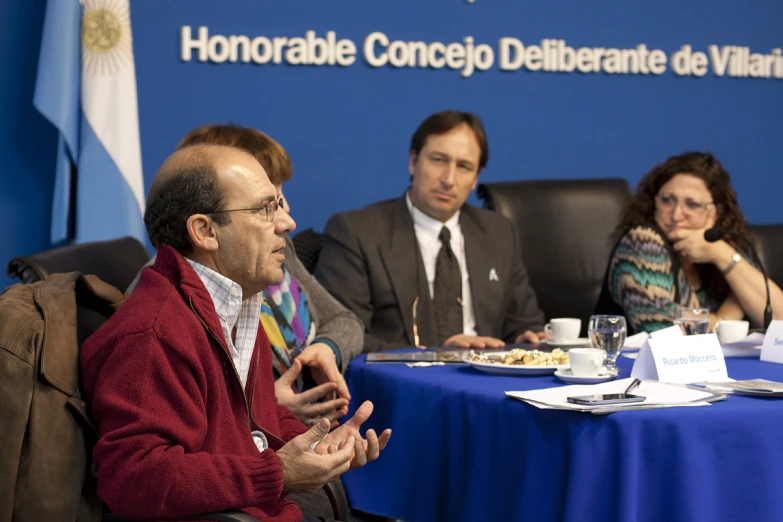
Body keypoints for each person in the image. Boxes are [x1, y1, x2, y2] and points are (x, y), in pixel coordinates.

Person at [81, 144, 391, 521]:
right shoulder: (152, 332)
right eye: (266, 208)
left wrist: (318, 443)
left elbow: (256, 418)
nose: (287, 223)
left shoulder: (237, 301)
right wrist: (277, 473)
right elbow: (134, 478)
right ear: (205, 231)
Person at [128, 124, 363, 430]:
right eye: (270, 204)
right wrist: (267, 408)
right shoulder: (153, 313)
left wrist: (327, 347)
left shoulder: (269, 261)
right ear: (206, 228)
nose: (287, 216)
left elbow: (346, 321)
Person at [315, 110, 547, 352]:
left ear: (476, 178)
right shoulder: (357, 233)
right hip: (402, 381)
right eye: (438, 160)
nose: (449, 179)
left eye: (464, 167)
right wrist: (438, 354)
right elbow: (345, 336)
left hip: (487, 380)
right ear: (414, 161)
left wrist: (525, 338)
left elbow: (524, 322)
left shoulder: (498, 233)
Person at [596, 151, 783, 334]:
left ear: (714, 213)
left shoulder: (720, 245)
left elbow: (779, 322)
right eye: (668, 200)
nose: (676, 215)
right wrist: (722, 320)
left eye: (692, 204)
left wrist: (721, 254)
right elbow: (661, 329)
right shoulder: (641, 242)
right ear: (654, 203)